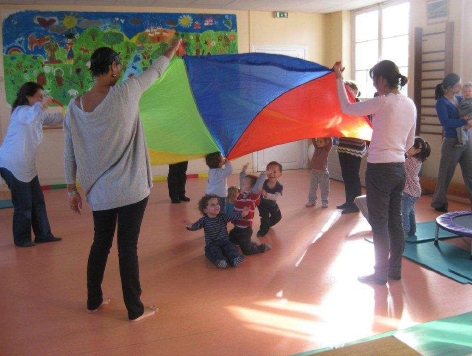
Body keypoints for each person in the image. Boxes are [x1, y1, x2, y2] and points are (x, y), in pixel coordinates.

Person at [64, 39, 181, 321]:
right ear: (112, 68)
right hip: (131, 190)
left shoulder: (74, 106)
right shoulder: (127, 92)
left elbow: (69, 149)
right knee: (127, 248)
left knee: (100, 244)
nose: (119, 69)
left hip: (100, 193)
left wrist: (71, 188)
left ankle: (93, 300)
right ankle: (135, 310)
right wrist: (173, 46)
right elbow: (156, 69)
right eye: (117, 64)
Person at [334, 60, 416, 285]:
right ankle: (394, 271)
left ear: (381, 80)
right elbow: (410, 142)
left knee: (379, 224)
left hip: (379, 169)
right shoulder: (409, 104)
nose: (375, 85)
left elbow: (347, 108)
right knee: (395, 221)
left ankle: (380, 274)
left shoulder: (382, 103)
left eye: (374, 80)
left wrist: (339, 79)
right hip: (399, 168)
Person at [0, 82, 63, 247]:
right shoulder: (21, 112)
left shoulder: (36, 112)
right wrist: (42, 105)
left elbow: (53, 118)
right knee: (24, 204)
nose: (41, 99)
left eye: (42, 96)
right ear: (28, 97)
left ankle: (43, 234)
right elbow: (30, 118)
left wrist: (73, 112)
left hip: (26, 165)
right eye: (39, 96)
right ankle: (22, 239)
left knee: (37, 201)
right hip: (12, 164)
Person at [431, 73, 472, 212]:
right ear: (449, 87)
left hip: (466, 140)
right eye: (458, 86)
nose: (460, 88)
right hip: (451, 142)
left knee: (470, 173)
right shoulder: (441, 102)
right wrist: (465, 121)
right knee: (446, 174)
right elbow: (446, 122)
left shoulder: (460, 99)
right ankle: (439, 202)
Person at [183, 194, 246, 269]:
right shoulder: (204, 220)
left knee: (231, 248)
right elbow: (195, 226)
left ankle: (234, 259)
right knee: (213, 251)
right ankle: (221, 261)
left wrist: (242, 214)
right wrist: (189, 225)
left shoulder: (222, 216)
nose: (217, 206)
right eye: (212, 205)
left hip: (225, 241)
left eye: (217, 204)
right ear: (205, 210)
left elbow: (232, 215)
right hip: (212, 243)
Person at [337, 81, 367, 214]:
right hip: (344, 145)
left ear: (355, 91)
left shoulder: (360, 106)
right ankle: (349, 201)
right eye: (345, 91)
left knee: (353, 176)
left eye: (349, 91)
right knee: (346, 175)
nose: (347, 93)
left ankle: (355, 205)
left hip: (355, 146)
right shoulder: (344, 106)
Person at [229, 164, 272, 255]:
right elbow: (242, 182)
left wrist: (263, 174)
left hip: (245, 230)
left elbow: (257, 186)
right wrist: (243, 172)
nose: (241, 185)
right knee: (231, 241)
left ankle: (262, 247)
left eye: (244, 184)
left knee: (247, 251)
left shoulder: (252, 197)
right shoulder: (241, 194)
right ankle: (247, 242)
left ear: (251, 188)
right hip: (236, 228)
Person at [402, 137, 431, 236]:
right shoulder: (417, 160)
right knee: (410, 212)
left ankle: (404, 232)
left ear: (417, 150)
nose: (406, 149)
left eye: (409, 148)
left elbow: (400, 160)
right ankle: (412, 230)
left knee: (404, 212)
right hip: (413, 191)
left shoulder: (411, 161)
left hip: (410, 191)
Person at [257, 161, 283, 237]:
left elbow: (275, 197)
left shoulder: (279, 187)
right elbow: (257, 184)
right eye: (269, 171)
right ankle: (262, 232)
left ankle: (268, 224)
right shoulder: (263, 183)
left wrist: (266, 194)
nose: (271, 174)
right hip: (262, 203)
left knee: (278, 217)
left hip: (272, 203)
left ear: (280, 174)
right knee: (265, 217)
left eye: (274, 172)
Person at [306, 138, 332, 208]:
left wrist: (328, 136)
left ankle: (324, 201)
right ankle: (312, 201)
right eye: (317, 141)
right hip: (314, 173)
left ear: (326, 143)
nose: (317, 143)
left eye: (320, 141)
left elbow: (329, 142)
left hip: (323, 173)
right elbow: (313, 139)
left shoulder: (326, 149)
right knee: (312, 188)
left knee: (324, 189)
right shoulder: (316, 147)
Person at [457, 82, 472, 147]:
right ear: (462, 93)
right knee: (459, 128)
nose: (467, 93)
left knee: (461, 128)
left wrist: (468, 116)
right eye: (464, 91)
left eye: (469, 91)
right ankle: (462, 140)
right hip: (462, 117)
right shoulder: (462, 100)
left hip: (468, 117)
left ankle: (463, 141)